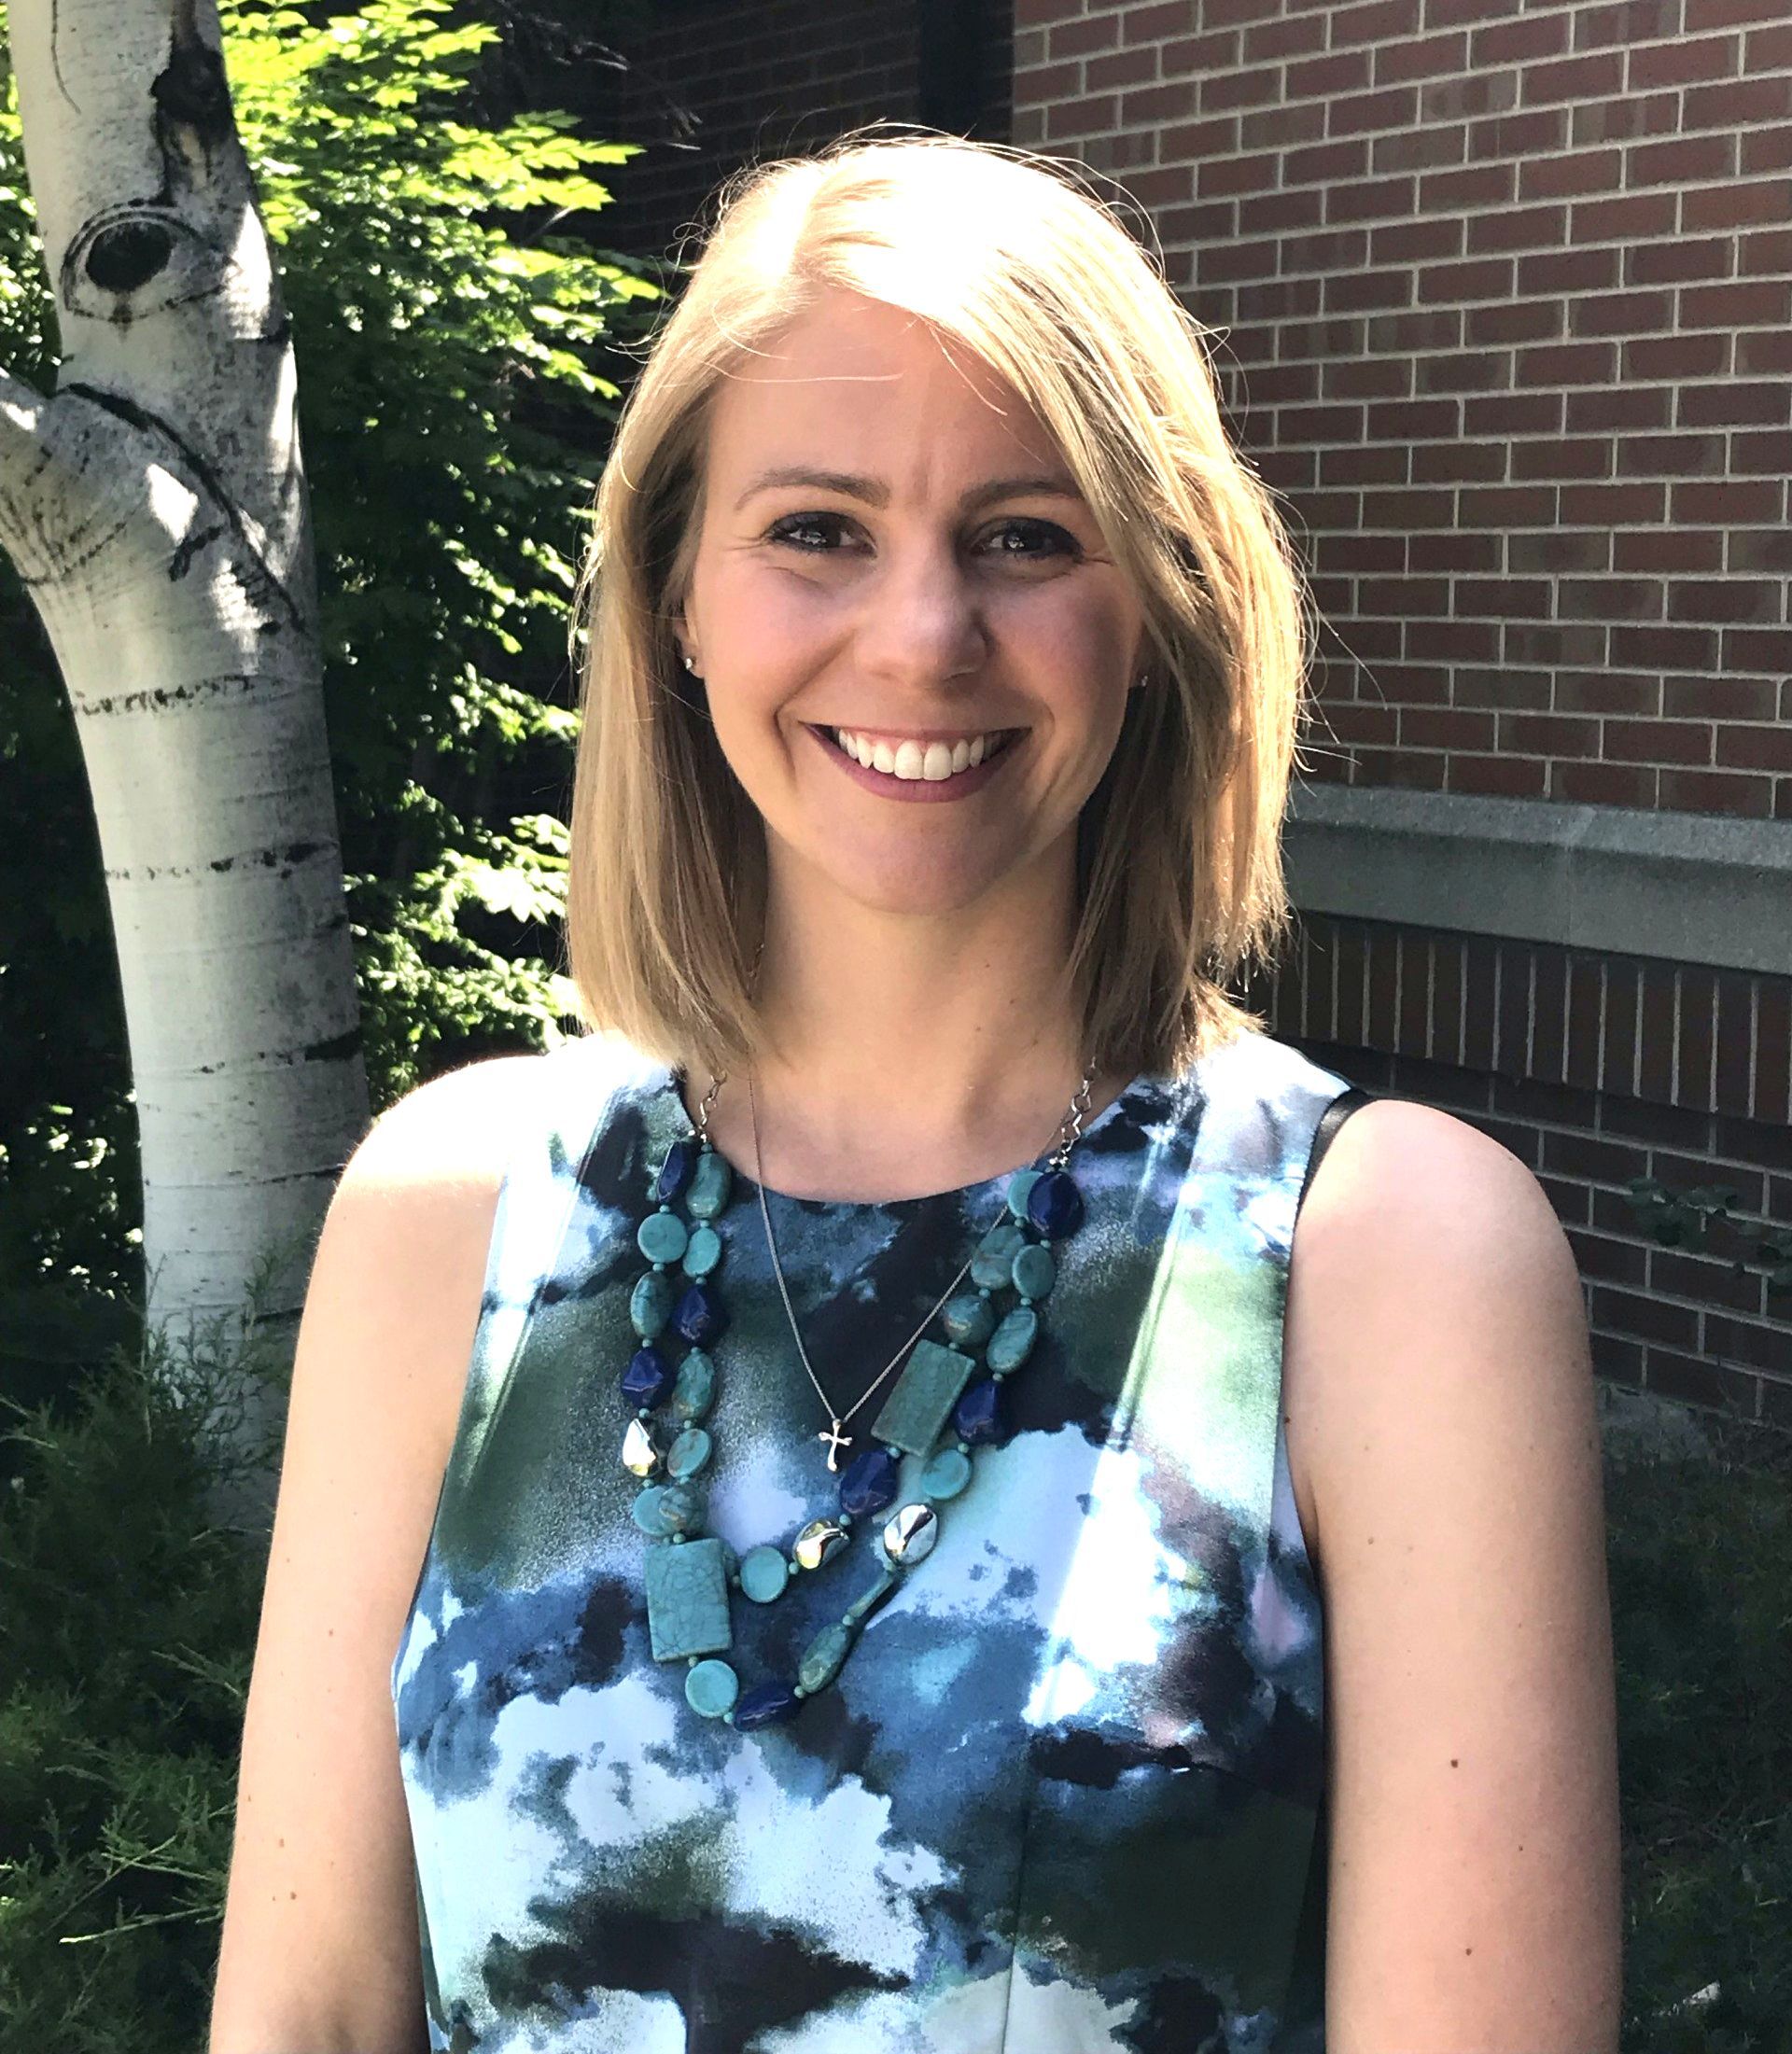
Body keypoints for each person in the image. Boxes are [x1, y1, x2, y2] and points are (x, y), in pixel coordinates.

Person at [208, 130, 1622, 2053]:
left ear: (1162, 607)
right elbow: (309, 2014)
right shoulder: (451, 1220)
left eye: (1029, 537)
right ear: (677, 597)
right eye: (818, 530)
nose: (924, 634)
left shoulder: (1379, 1258)